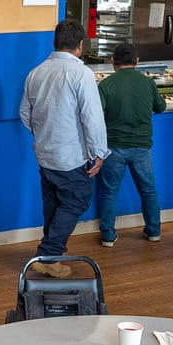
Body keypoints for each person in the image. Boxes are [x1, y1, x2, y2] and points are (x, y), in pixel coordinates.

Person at [18, 20, 109, 276]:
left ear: (54, 42)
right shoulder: (81, 74)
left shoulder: (36, 72)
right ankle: (47, 256)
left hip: (44, 152)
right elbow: (92, 116)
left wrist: (43, 133)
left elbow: (25, 113)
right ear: (80, 46)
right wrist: (99, 151)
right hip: (70, 155)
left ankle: (51, 255)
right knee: (76, 200)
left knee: (53, 203)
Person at [96, 42, 166, 247]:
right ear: (137, 61)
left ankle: (108, 236)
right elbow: (160, 107)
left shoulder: (106, 85)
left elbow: (98, 116)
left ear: (112, 62)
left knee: (110, 192)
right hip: (142, 147)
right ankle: (153, 231)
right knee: (149, 191)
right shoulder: (148, 83)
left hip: (114, 147)